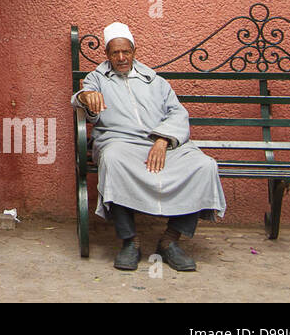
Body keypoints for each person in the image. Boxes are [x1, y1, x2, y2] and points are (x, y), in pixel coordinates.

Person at [72, 22, 227, 272]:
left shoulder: (156, 82)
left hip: (162, 143)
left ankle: (170, 241)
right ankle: (130, 241)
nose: (121, 58)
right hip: (119, 143)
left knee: (203, 165)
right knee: (112, 161)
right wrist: (85, 98)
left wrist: (163, 140)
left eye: (126, 52)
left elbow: (178, 113)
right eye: (115, 53)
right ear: (107, 55)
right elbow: (82, 98)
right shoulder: (97, 78)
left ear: (134, 51)